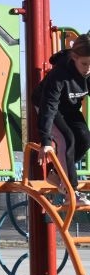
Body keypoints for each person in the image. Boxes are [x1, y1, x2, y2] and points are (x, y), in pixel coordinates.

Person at [33, 33, 90, 203]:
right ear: (74, 57)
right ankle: (71, 193)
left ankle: (55, 175)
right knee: (67, 140)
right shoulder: (60, 74)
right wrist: (46, 141)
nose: (87, 69)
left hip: (70, 108)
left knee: (85, 140)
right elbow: (48, 107)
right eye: (84, 64)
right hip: (48, 105)